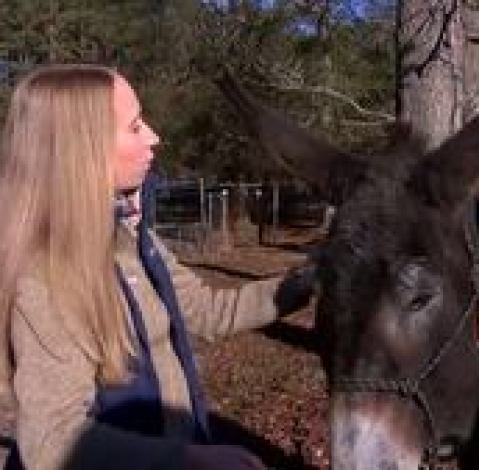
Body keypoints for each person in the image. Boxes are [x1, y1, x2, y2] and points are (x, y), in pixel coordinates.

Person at [0, 64, 312, 469]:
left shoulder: (133, 240)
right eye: (134, 127)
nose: (154, 137)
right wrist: (189, 461)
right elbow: (52, 442)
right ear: (85, 148)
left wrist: (313, 278)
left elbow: (202, 309)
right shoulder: (45, 275)